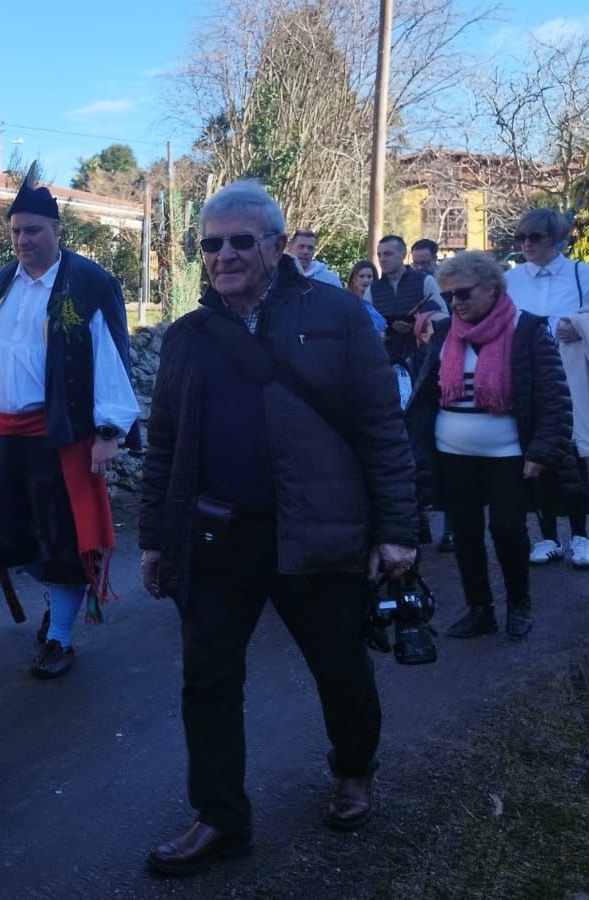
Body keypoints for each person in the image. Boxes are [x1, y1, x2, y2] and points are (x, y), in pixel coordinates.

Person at [138, 180, 416, 876]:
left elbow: (382, 428)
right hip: (217, 541)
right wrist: (152, 539)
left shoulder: (338, 316)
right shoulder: (189, 337)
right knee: (206, 683)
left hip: (318, 532)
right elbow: (165, 445)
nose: (224, 254)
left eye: (239, 240)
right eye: (211, 244)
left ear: (274, 243)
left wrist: (397, 529)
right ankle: (222, 818)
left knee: (340, 668)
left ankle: (354, 770)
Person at [0, 164, 139, 679]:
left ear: (57, 231)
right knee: (16, 529)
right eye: (15, 230)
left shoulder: (86, 282)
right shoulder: (0, 284)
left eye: (33, 230)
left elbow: (109, 357)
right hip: (5, 436)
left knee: (62, 536)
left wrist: (108, 432)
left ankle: (60, 635)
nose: (22, 240)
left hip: (61, 434)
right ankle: (55, 608)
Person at [404, 251, 575, 642]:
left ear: (491, 288)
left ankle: (519, 603)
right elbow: (428, 393)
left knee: (507, 528)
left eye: (462, 293)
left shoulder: (527, 329)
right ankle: (480, 609)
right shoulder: (446, 331)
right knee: (464, 533)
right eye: (448, 297)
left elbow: (554, 397)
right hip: (452, 451)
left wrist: (541, 451)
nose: (455, 303)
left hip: (508, 454)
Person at [503, 207, 589, 568]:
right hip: (528, 380)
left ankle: (581, 537)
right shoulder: (511, 280)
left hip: (573, 379)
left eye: (534, 237)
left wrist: (581, 327)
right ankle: (548, 537)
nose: (526, 244)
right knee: (535, 456)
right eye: (521, 237)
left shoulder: (586, 275)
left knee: (574, 458)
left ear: (557, 240)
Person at [366, 235, 445, 370]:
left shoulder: (425, 281)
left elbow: (442, 321)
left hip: (422, 361)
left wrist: (416, 326)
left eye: (388, 254)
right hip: (386, 362)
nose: (382, 259)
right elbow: (366, 328)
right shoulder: (372, 290)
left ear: (403, 254)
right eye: (379, 255)